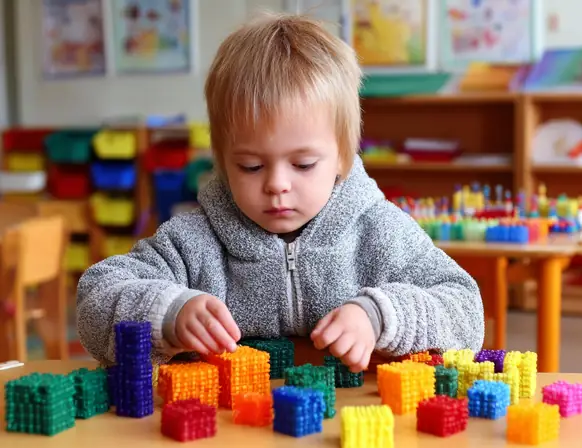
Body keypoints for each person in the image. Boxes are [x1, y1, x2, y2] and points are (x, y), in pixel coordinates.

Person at [76, 12, 484, 372]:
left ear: (343, 156)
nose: (276, 184)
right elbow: (95, 299)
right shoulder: (192, 242)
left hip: (348, 432)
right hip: (232, 439)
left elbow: (465, 312)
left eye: (304, 164)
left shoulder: (381, 233)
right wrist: (167, 313)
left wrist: (381, 315)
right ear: (221, 160)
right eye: (250, 166)